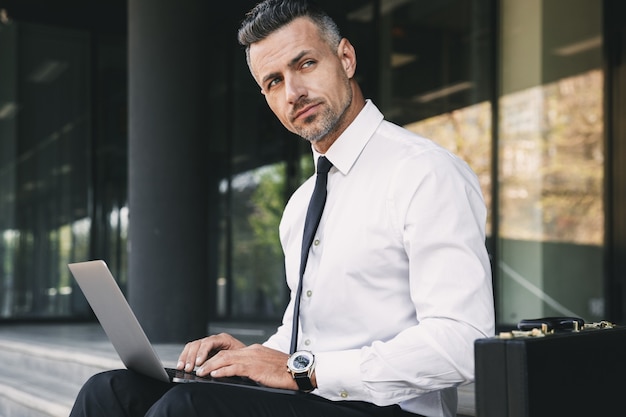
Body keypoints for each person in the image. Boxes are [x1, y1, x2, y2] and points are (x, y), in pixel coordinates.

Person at [69, 0, 494, 416]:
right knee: (110, 391)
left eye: (305, 64)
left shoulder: (425, 172)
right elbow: (305, 337)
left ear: (345, 58)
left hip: (390, 408)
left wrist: (301, 370)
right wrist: (255, 355)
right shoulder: (301, 204)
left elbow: (462, 343)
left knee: (190, 406)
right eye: (273, 81)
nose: (293, 93)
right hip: (311, 398)